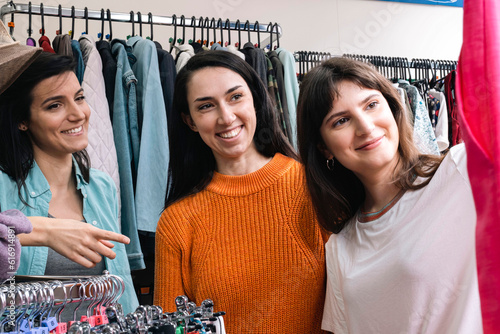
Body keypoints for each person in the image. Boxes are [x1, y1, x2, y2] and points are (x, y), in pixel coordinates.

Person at [296, 57, 482, 333]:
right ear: (324, 148)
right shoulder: (339, 247)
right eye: (341, 121)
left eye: (371, 105)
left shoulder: (461, 171)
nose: (366, 127)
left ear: (392, 108)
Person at [154, 51, 327, 333]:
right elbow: (172, 327)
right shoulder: (177, 222)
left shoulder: (315, 186)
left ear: (256, 101)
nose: (226, 117)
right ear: (190, 122)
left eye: (236, 97)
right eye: (206, 106)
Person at [0, 51, 138, 315]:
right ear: (22, 120)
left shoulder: (102, 187)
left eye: (80, 98)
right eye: (55, 105)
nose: (78, 114)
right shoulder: (3, 186)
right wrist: (45, 231)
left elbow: (122, 286)